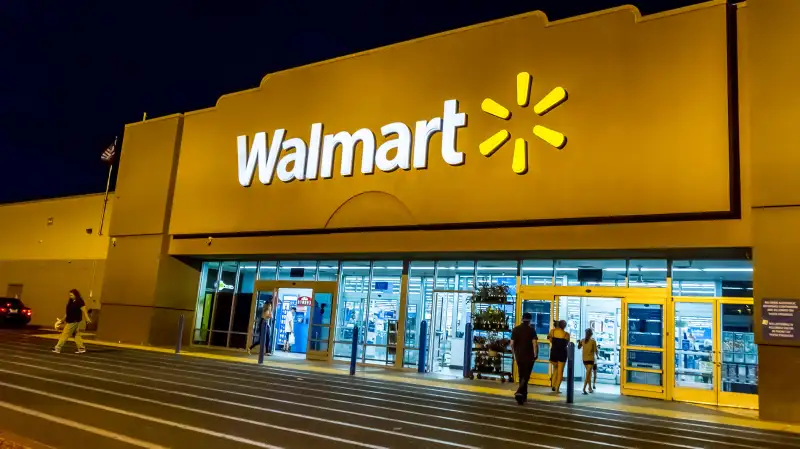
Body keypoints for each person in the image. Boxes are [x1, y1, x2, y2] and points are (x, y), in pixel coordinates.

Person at [510, 312, 538, 405]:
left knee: (522, 375)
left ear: (522, 319)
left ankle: (524, 395)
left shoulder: (515, 329)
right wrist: (535, 354)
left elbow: (512, 344)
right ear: (530, 320)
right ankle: (519, 392)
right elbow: (534, 343)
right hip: (529, 357)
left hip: (519, 356)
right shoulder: (532, 330)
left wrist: (514, 355)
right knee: (526, 376)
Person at [53, 289, 91, 354]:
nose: (70, 296)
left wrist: (87, 318)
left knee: (65, 334)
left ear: (76, 295)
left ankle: (58, 348)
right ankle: (81, 348)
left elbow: (84, 310)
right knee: (76, 334)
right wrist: (62, 320)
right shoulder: (71, 301)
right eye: (70, 295)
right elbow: (68, 312)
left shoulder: (79, 301)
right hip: (70, 320)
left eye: (71, 295)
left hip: (74, 320)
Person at [549, 319, 570, 394]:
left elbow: (549, 339)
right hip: (562, 353)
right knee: (560, 372)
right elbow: (566, 344)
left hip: (553, 352)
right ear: (564, 326)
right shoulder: (566, 334)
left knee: (555, 369)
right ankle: (557, 388)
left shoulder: (552, 331)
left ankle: (553, 385)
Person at [578, 328, 598, 394]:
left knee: (588, 374)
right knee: (588, 375)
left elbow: (578, 347)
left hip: (584, 360)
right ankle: (584, 388)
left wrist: (579, 342)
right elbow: (595, 351)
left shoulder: (583, 340)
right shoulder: (593, 341)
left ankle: (590, 388)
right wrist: (597, 356)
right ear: (591, 334)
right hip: (590, 360)